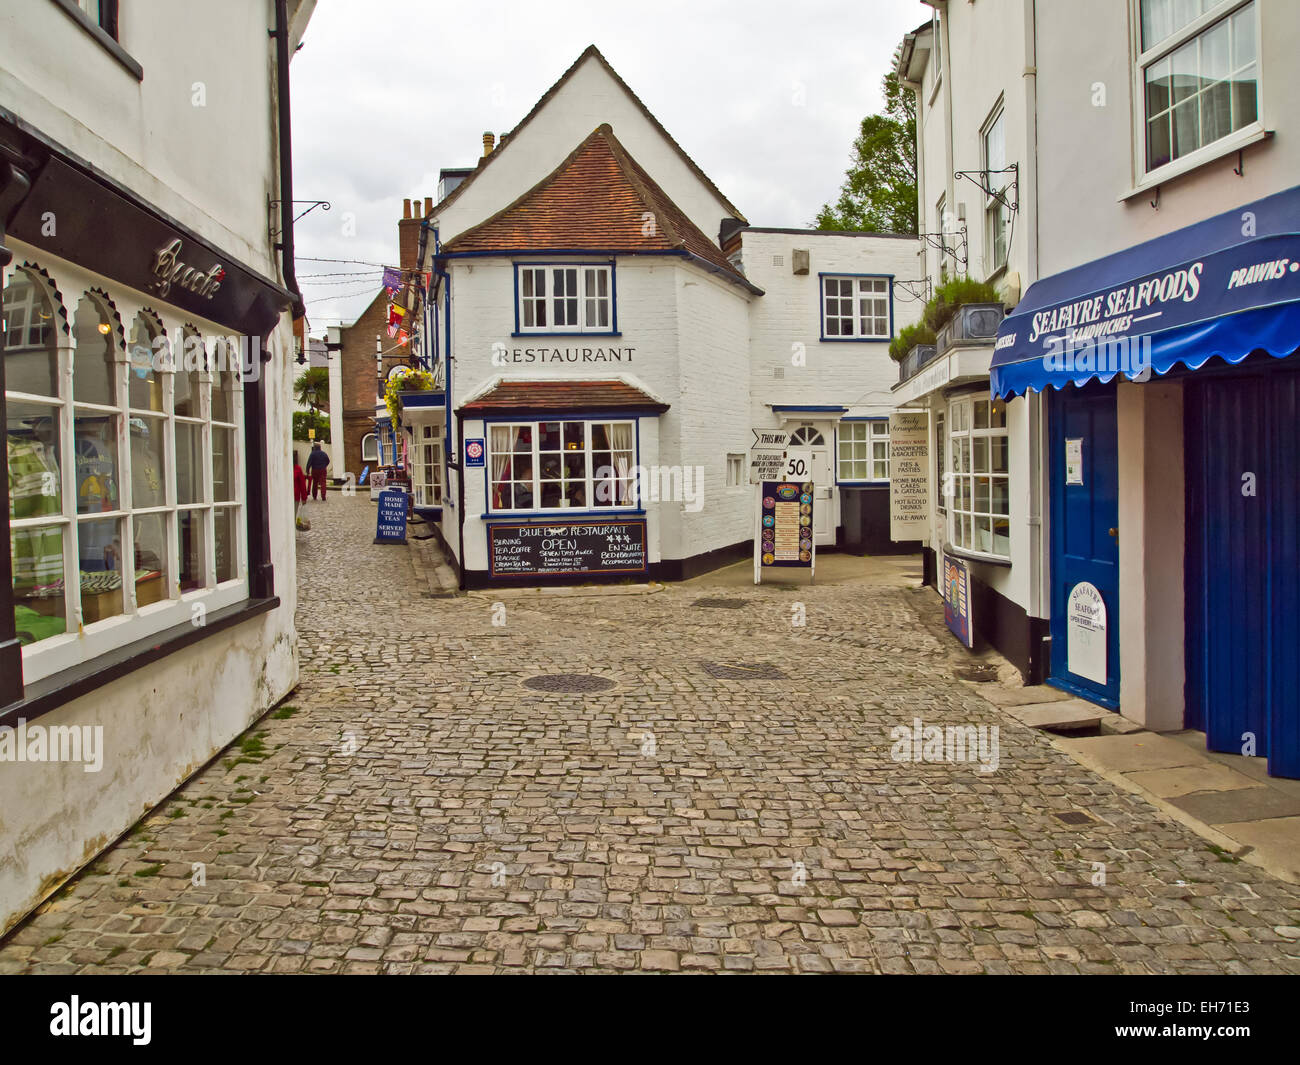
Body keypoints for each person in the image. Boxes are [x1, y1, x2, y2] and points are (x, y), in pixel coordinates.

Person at [293, 451, 309, 527]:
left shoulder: (298, 469)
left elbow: (302, 484)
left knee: (293, 514)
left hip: (295, 496)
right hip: (286, 497)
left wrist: (304, 497)